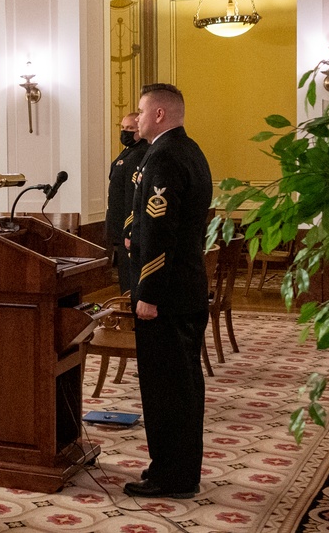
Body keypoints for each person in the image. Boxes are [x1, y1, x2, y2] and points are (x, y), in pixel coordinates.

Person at [123, 83, 212, 500]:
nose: (136, 119)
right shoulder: (190, 149)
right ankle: (177, 468)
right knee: (184, 386)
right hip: (188, 288)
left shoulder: (162, 156)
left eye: (140, 112)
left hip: (168, 295)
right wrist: (133, 235)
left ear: (159, 114)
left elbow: (162, 230)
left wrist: (149, 292)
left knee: (167, 389)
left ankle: (171, 476)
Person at [106, 112, 148, 292]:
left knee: (130, 279)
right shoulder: (128, 151)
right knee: (124, 274)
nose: (125, 132)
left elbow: (134, 196)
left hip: (128, 226)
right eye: (123, 128)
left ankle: (130, 310)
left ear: (140, 129)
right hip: (118, 223)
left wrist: (129, 231)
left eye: (130, 128)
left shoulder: (140, 154)